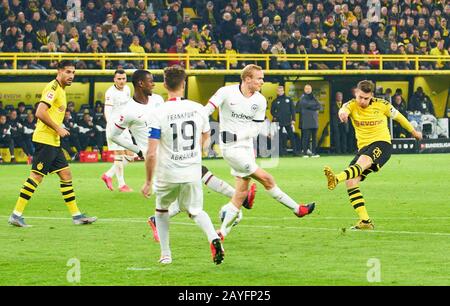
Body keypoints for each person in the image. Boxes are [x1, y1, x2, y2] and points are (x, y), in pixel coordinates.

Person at [205, 64, 315, 239]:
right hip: (231, 149)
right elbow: (208, 109)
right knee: (267, 179)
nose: (262, 82)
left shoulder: (260, 100)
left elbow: (256, 129)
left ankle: (222, 231)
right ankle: (297, 209)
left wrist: (237, 136)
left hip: (246, 147)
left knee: (241, 193)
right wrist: (203, 125)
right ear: (247, 79)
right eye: (259, 78)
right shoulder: (226, 92)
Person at [141, 66, 224, 265]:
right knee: (195, 210)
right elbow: (206, 137)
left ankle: (166, 255)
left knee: (161, 211)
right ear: (184, 84)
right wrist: (197, 152)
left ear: (164, 84)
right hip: (192, 170)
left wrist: (148, 181)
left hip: (167, 173)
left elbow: (151, 153)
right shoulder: (198, 109)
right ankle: (213, 237)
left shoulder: (158, 113)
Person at [324, 80, 422, 230]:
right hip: (364, 148)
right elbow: (343, 110)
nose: (363, 101)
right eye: (360, 97)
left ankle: (336, 178)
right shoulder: (350, 104)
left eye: (366, 98)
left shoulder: (382, 105)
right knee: (351, 182)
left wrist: (414, 132)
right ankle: (365, 221)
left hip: (382, 144)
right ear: (356, 93)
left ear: (371, 96)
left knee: (362, 163)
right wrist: (342, 115)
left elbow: (399, 117)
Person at [8, 60, 97, 227]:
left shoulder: (61, 90)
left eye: (73, 72)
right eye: (68, 72)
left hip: (53, 141)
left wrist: (58, 130)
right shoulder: (53, 88)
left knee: (66, 175)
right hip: (45, 139)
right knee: (36, 176)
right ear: (59, 71)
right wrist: (58, 128)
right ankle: (16, 214)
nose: (71, 76)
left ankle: (77, 215)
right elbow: (40, 112)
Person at [101, 69, 134, 192]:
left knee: (131, 155)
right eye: (119, 79)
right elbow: (107, 111)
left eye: (123, 79)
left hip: (124, 126)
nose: (121, 81)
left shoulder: (127, 89)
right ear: (114, 79)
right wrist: (112, 126)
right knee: (119, 155)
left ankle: (108, 175)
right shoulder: (110, 92)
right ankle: (122, 185)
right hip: (114, 127)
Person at [271, 85, 298, 156]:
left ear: (283, 91)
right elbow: (272, 111)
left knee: (292, 136)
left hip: (288, 121)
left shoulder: (288, 100)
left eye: (281, 90)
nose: (280, 92)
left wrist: (293, 119)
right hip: (279, 122)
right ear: (277, 92)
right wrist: (276, 116)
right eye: (278, 91)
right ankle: (281, 153)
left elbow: (293, 110)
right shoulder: (275, 101)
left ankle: (295, 152)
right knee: (279, 137)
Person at [296, 84, 321, 157]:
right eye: (306, 88)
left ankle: (314, 152)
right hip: (306, 121)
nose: (308, 90)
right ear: (304, 90)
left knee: (314, 138)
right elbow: (305, 104)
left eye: (309, 88)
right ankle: (304, 152)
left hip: (314, 121)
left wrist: (312, 106)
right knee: (306, 137)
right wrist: (314, 106)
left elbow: (318, 106)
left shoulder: (314, 97)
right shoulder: (302, 98)